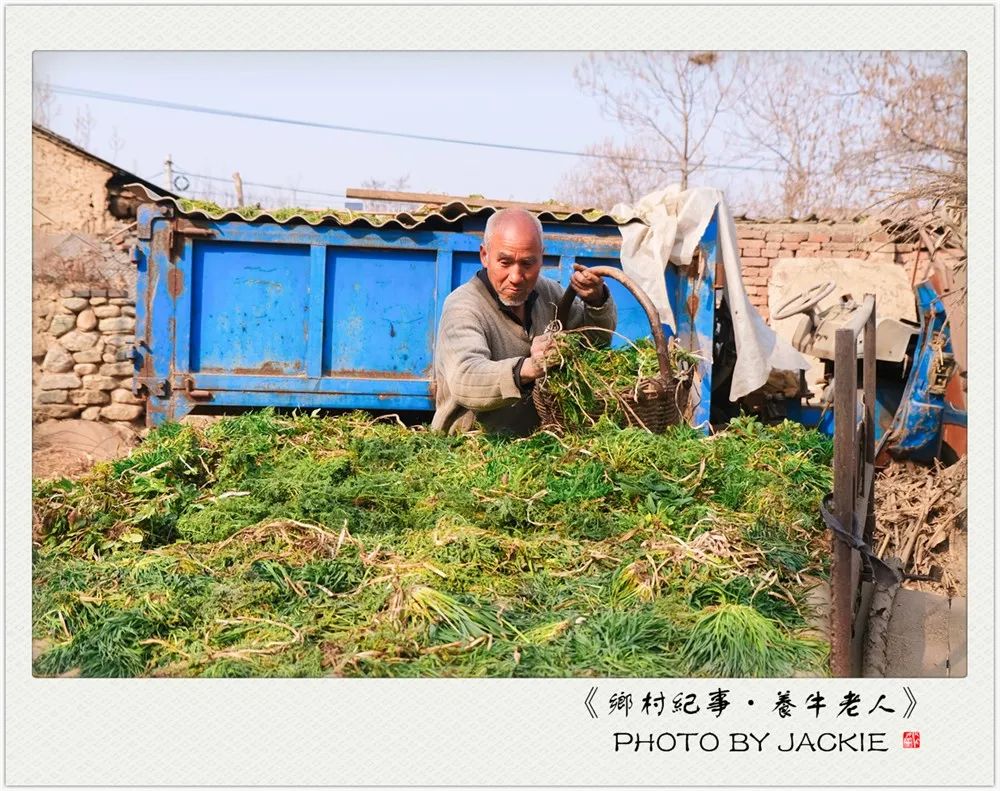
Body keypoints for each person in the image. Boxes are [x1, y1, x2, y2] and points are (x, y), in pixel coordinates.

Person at [431, 207, 617, 435]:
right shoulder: (463, 306)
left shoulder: (550, 294)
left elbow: (595, 346)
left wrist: (596, 302)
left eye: (527, 264)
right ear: (485, 256)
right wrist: (529, 367)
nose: (516, 277)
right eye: (505, 262)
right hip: (471, 449)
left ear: (541, 257)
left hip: (536, 448)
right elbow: (466, 378)